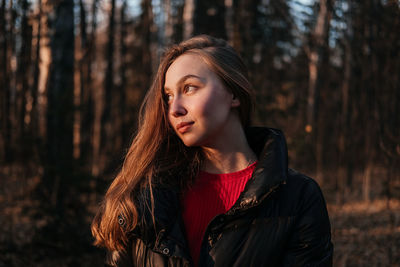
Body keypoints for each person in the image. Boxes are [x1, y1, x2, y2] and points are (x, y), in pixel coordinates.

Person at [91, 35, 333, 267]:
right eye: (168, 96)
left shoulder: (298, 197)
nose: (174, 109)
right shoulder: (146, 197)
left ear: (234, 94)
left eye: (189, 88)